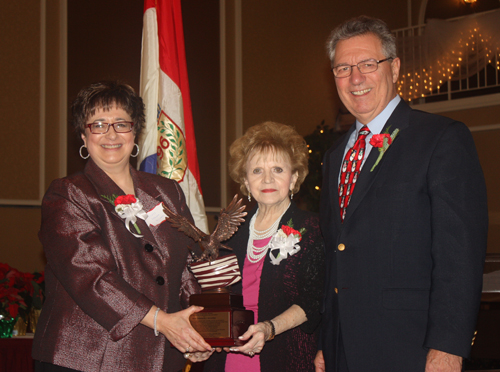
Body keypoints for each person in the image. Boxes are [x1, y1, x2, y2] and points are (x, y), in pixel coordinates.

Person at [315, 16, 488, 372]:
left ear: (394, 68)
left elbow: (459, 257)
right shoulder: (334, 157)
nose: (355, 78)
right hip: (341, 350)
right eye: (343, 68)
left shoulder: (441, 139)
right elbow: (337, 256)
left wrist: (448, 348)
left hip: (410, 349)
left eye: (367, 64)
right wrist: (326, 339)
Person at [32, 81, 213, 372]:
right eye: (99, 125)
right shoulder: (67, 194)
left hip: (161, 356)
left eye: (121, 124)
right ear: (83, 135)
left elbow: (188, 267)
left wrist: (198, 331)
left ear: (135, 132)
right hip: (86, 358)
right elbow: (92, 277)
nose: (111, 134)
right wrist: (164, 322)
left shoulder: (168, 191)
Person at [204, 122, 325, 372]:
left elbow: (314, 301)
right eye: (257, 170)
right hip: (227, 357)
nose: (267, 179)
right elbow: (211, 294)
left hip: (283, 352)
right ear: (246, 182)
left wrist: (269, 328)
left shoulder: (313, 228)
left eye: (277, 169)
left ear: (293, 178)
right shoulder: (228, 231)